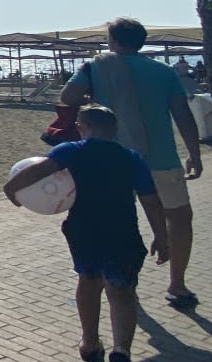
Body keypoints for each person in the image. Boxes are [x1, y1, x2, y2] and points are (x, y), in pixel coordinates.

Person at [6, 105, 169, 362]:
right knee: (122, 293)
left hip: (84, 230)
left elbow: (39, 170)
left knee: (88, 280)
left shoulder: (70, 150)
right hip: (122, 230)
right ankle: (121, 351)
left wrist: (12, 189)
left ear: (81, 128)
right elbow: (151, 200)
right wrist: (161, 236)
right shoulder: (131, 157)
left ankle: (90, 343)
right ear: (114, 130)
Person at [60, 18, 203, 309]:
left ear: (112, 41)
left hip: (113, 158)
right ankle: (177, 284)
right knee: (178, 218)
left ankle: (123, 286)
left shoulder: (96, 67)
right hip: (161, 157)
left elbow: (68, 97)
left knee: (117, 221)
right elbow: (182, 114)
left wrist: (96, 93)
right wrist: (194, 153)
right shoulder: (163, 71)